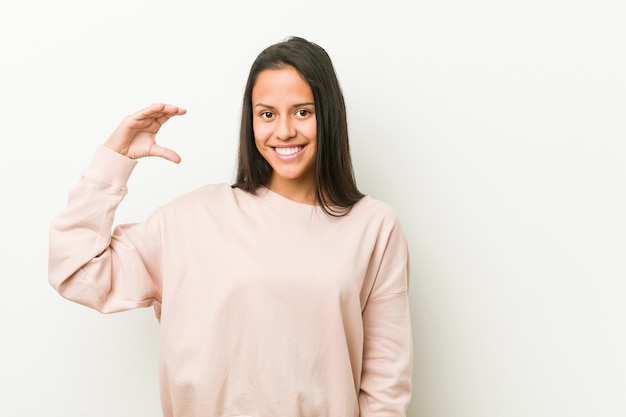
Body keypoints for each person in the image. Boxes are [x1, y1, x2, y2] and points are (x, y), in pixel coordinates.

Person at [48, 36, 412, 417]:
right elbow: (75, 270)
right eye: (267, 114)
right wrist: (114, 159)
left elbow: (386, 386)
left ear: (330, 115)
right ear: (251, 121)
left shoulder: (375, 226)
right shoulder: (192, 219)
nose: (284, 131)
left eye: (303, 112)